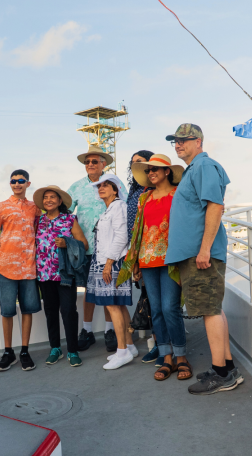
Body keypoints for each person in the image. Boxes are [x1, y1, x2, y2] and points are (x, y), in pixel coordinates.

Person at [163, 124, 242, 395]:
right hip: (195, 254)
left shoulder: (204, 166)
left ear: (198, 141)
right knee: (213, 308)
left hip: (201, 255)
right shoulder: (193, 170)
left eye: (183, 140)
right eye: (175, 141)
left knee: (209, 310)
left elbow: (215, 205)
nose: (178, 145)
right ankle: (227, 367)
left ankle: (221, 374)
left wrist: (204, 249)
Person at [119, 154, 192, 381]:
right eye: (148, 170)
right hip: (147, 260)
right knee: (157, 310)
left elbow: (189, 221)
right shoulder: (145, 197)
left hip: (171, 259)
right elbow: (138, 230)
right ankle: (166, 356)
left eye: (155, 169)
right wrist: (136, 262)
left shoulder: (179, 194)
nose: (151, 173)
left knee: (171, 308)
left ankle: (181, 357)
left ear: (167, 171)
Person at [67, 145, 128, 353]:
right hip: (85, 248)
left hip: (111, 249)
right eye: (87, 162)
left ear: (104, 164)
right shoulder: (75, 187)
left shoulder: (113, 184)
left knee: (109, 292)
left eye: (94, 161)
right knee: (88, 291)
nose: (90, 165)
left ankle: (111, 331)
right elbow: (65, 214)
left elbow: (126, 209)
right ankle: (87, 330)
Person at [0, 170, 42, 372]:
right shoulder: (1, 207)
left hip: (28, 267)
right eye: (13, 181)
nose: (17, 184)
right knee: (7, 311)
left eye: (21, 181)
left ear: (28, 184)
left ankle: (25, 351)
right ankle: (8, 352)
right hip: (5, 267)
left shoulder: (35, 208)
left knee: (28, 310)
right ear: (10, 183)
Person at [33, 185, 89, 368]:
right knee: (50, 312)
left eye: (52, 197)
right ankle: (55, 348)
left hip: (65, 275)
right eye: (46, 197)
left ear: (60, 201)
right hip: (44, 275)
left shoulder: (69, 220)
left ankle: (72, 350)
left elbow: (84, 245)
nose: (48, 200)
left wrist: (67, 243)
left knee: (68, 311)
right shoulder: (38, 221)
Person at [85, 174, 135, 370]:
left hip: (112, 262)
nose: (101, 188)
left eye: (106, 185)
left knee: (113, 306)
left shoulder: (119, 206)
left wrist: (108, 263)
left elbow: (122, 236)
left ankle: (122, 351)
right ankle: (129, 346)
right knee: (119, 306)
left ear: (115, 190)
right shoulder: (110, 209)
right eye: (99, 186)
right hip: (107, 261)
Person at [125, 150, 159, 364]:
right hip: (139, 253)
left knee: (159, 302)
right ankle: (159, 343)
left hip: (157, 253)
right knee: (150, 299)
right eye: (133, 163)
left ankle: (163, 345)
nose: (136, 166)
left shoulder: (157, 189)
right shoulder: (135, 190)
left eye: (141, 162)